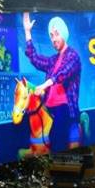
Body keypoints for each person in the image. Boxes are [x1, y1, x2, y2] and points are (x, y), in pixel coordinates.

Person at [22, 12, 82, 153]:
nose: (54, 39)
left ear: (64, 34)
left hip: (65, 108)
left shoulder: (73, 56)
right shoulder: (53, 59)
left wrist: (43, 85)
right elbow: (35, 59)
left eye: (56, 34)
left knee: (55, 137)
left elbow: (61, 74)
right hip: (48, 107)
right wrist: (27, 33)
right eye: (51, 36)